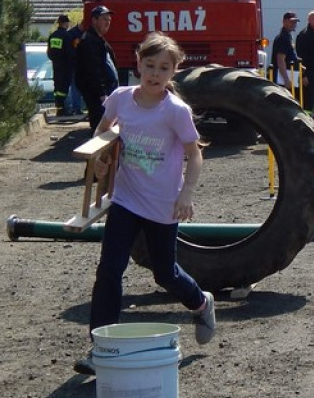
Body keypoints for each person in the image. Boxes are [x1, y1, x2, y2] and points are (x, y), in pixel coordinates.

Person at [73, 32, 215, 377]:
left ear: (173, 71)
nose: (154, 74)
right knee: (109, 269)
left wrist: (186, 194)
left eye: (163, 68)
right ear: (137, 64)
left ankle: (201, 302)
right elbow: (103, 133)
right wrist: (101, 161)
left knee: (165, 274)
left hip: (163, 204)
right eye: (149, 65)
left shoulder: (176, 111)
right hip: (126, 198)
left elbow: (195, 155)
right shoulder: (120, 99)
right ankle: (101, 347)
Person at [74, 5, 119, 133]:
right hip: (98, 95)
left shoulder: (99, 40)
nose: (108, 22)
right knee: (101, 129)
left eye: (109, 20)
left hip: (105, 93)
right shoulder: (88, 41)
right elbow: (92, 69)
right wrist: (101, 93)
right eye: (104, 19)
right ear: (94, 20)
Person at [46, 14, 75, 116]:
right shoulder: (67, 36)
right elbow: (70, 53)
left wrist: (55, 60)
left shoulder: (52, 36)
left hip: (56, 65)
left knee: (57, 87)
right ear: (65, 23)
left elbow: (49, 52)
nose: (68, 25)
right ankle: (65, 109)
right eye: (67, 23)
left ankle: (59, 108)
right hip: (65, 66)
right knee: (64, 87)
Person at [271, 11, 298, 89]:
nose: (294, 24)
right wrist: (286, 79)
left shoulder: (288, 36)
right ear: (284, 22)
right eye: (291, 22)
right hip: (282, 79)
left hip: (290, 75)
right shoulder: (283, 38)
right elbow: (280, 60)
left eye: (295, 22)